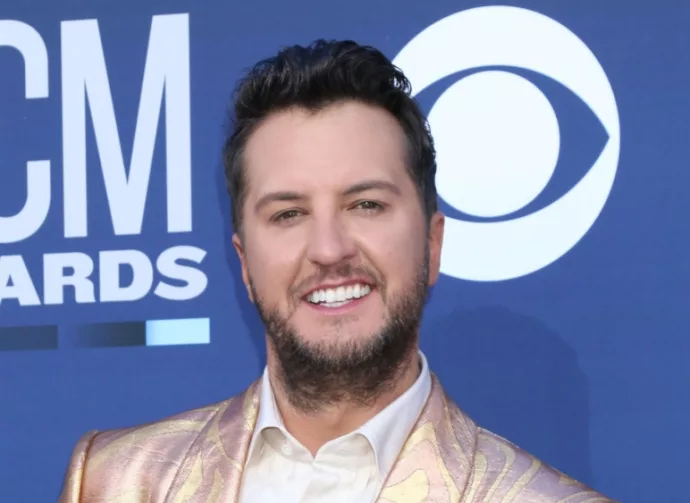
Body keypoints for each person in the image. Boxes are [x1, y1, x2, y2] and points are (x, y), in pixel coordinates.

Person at [58, 40, 614, 503]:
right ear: (245, 263)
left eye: (365, 204)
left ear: (433, 242)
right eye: (288, 213)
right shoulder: (115, 481)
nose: (328, 249)